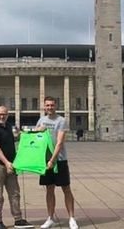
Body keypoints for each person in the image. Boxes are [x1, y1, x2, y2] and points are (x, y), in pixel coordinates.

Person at [0, 106, 34, 229]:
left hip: (11, 165)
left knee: (15, 193)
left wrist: (21, 135)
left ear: (8, 115)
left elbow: (11, 141)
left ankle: (18, 219)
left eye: (4, 114)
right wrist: (6, 162)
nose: (2, 116)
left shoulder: (8, 126)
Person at [36, 96, 79, 229]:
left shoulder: (61, 120)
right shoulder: (41, 120)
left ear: (56, 106)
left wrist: (52, 160)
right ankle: (50, 218)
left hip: (59, 159)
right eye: (47, 105)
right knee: (49, 188)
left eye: (52, 105)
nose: (50, 108)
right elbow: (37, 139)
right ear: (44, 106)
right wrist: (38, 131)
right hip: (45, 160)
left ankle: (71, 218)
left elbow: (59, 143)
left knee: (66, 188)